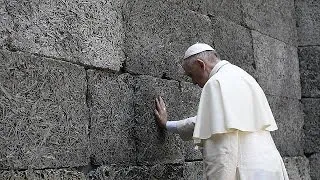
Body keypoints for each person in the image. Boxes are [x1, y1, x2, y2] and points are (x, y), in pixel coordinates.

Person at [154, 43, 289, 180]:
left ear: (201, 65)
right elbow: (212, 122)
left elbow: (222, 148)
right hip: (271, 167)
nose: (193, 82)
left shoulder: (216, 82)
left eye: (191, 75)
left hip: (244, 171)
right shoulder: (244, 76)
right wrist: (167, 124)